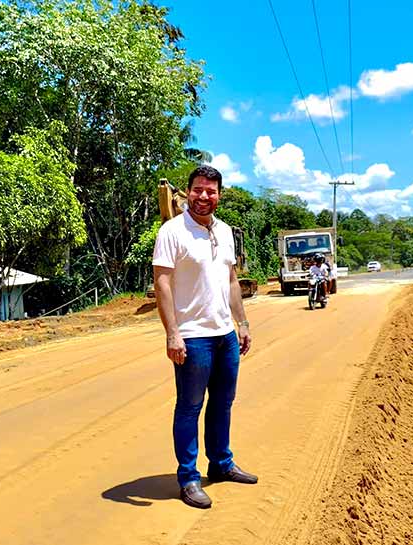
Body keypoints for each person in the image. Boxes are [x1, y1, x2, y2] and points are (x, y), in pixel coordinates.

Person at [152, 165, 257, 510]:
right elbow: (162, 283)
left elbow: (231, 280)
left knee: (223, 402)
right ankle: (189, 478)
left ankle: (221, 463)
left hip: (225, 334)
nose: (204, 196)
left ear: (219, 195)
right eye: (198, 189)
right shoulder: (172, 231)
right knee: (189, 406)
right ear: (189, 192)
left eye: (211, 191)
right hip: (193, 337)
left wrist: (242, 323)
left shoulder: (224, 231)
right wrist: (173, 333)